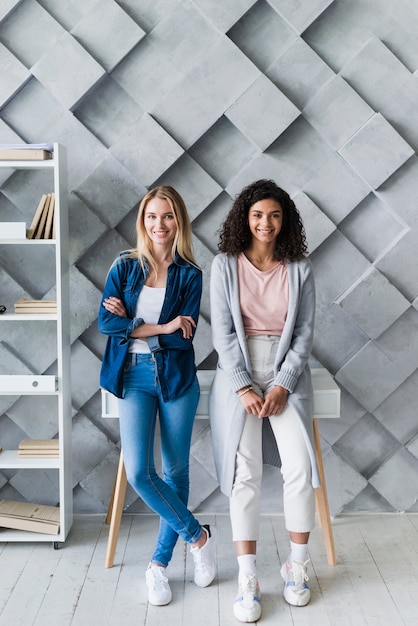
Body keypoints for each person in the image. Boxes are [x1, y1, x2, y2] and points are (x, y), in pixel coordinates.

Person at [98, 186, 217, 607]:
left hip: (175, 377)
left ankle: (159, 565)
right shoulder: (124, 267)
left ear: (178, 221)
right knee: (139, 473)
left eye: (167, 216)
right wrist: (162, 328)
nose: (159, 224)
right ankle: (198, 536)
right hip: (132, 377)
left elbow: (184, 340)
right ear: (142, 220)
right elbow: (104, 325)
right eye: (152, 216)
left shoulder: (190, 274)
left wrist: (133, 323)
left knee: (176, 472)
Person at [209, 179, 319, 622]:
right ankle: (248, 578)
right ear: (245, 218)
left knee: (300, 467)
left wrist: (282, 384)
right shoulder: (224, 265)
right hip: (238, 372)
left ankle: (297, 566)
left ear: (284, 219)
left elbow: (306, 333)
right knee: (244, 473)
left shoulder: (300, 268)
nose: (266, 223)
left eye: (274, 215)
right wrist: (242, 385)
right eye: (257, 215)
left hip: (284, 373)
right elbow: (222, 332)